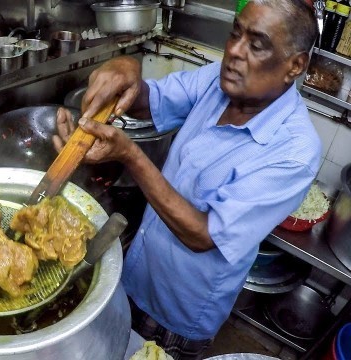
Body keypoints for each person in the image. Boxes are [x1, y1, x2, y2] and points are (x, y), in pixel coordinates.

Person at [52, 1, 321, 359]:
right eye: (235, 33)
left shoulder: (294, 151)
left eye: (256, 45)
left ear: (295, 65)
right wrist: (126, 69)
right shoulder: (219, 80)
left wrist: (130, 155)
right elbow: (152, 101)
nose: (234, 53)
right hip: (137, 270)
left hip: (179, 311)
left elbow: (202, 234)